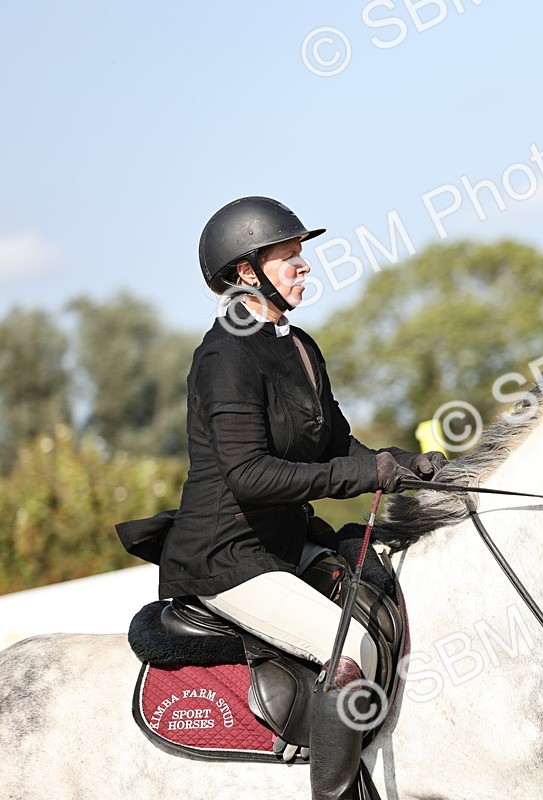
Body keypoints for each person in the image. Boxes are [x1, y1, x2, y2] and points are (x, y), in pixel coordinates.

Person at [158, 196, 445, 800]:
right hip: (227, 558)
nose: (305, 267)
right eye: (290, 257)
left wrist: (404, 464)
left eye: (300, 256)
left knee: (397, 593)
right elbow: (251, 477)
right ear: (245, 271)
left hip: (286, 545)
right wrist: (367, 475)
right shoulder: (224, 355)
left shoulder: (298, 346)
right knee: (352, 647)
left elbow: (338, 444)